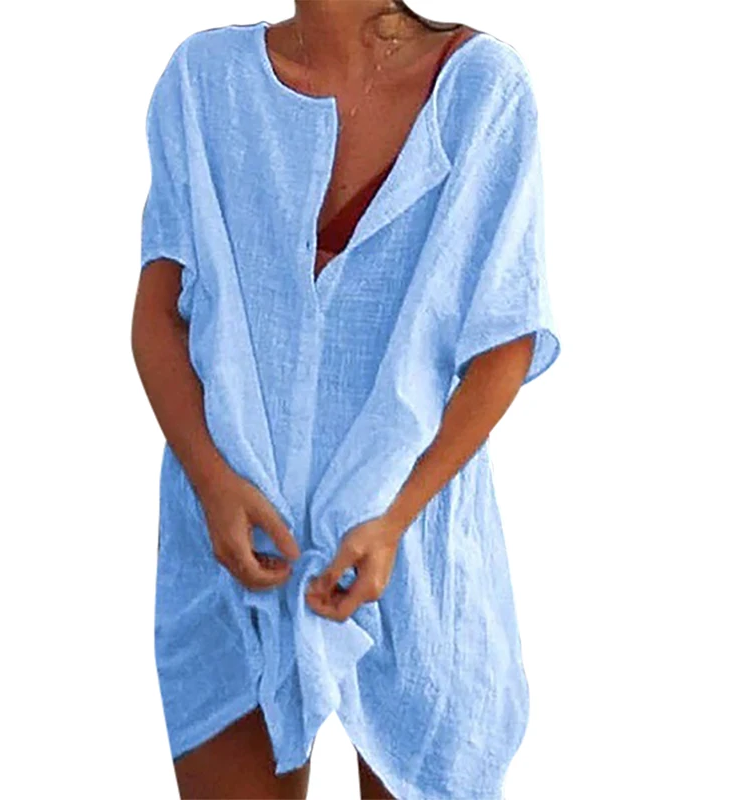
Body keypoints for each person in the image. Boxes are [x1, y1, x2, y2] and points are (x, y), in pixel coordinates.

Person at [131, 1, 561, 798]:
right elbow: (157, 315)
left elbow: (503, 341)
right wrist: (214, 484)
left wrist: (394, 520)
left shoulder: (481, 88)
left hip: (412, 550)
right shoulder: (203, 82)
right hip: (232, 551)